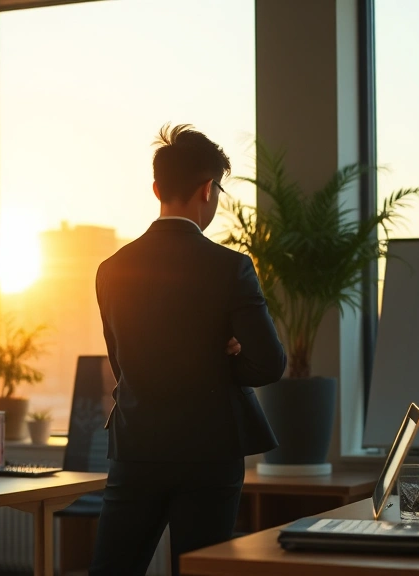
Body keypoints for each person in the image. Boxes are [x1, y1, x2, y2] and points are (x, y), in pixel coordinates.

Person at [89, 124, 286, 576]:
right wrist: (220, 362)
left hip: (136, 445)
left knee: (112, 569)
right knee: (201, 570)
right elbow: (269, 363)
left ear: (157, 188)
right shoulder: (230, 267)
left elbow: (123, 364)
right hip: (210, 448)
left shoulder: (111, 270)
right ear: (207, 189)